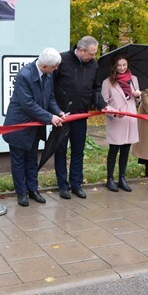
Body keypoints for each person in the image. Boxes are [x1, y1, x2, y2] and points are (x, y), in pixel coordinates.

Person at [3, 48, 66, 207]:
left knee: (32, 159)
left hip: (35, 126)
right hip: (19, 125)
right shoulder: (24, 75)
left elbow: (50, 97)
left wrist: (58, 111)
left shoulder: (48, 74)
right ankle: (21, 193)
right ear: (44, 66)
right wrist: (50, 117)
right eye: (54, 67)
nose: (56, 69)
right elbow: (28, 104)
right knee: (18, 161)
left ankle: (33, 190)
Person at [53, 36, 106, 200]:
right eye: (91, 53)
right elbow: (50, 88)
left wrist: (101, 104)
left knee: (78, 151)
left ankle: (76, 184)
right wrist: (54, 111)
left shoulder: (94, 64)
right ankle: (63, 186)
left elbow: (96, 88)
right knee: (60, 151)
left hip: (81, 115)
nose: (93, 57)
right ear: (81, 50)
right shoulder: (61, 60)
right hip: (62, 116)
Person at [101, 55, 141, 192]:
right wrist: (113, 112)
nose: (122, 68)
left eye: (124, 65)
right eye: (119, 65)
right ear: (114, 66)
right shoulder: (107, 82)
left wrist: (138, 96)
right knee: (114, 150)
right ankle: (110, 179)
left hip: (130, 120)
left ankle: (122, 178)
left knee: (125, 150)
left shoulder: (134, 79)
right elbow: (104, 104)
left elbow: (136, 102)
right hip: (117, 120)